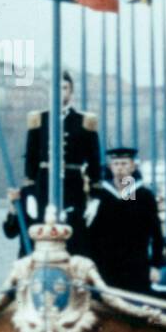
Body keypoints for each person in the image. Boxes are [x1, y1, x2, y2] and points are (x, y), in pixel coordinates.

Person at [22, 70, 101, 253]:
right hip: (44, 183)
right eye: (56, 88)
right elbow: (31, 159)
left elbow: (94, 161)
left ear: (71, 92)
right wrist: (30, 193)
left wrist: (95, 197)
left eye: (65, 88)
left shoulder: (84, 121)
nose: (60, 92)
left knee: (74, 229)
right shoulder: (39, 120)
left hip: (73, 183)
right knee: (43, 226)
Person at [85, 146, 165, 293]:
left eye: (124, 164)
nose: (120, 168)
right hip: (104, 263)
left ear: (133, 167)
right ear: (110, 166)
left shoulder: (144, 195)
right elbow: (89, 233)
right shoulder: (100, 195)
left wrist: (155, 265)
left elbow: (156, 233)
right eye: (116, 164)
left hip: (136, 264)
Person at [0, 184, 40, 257]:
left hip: (30, 255)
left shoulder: (24, 193)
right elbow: (10, 231)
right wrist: (13, 205)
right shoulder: (24, 193)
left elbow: (10, 232)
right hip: (29, 255)